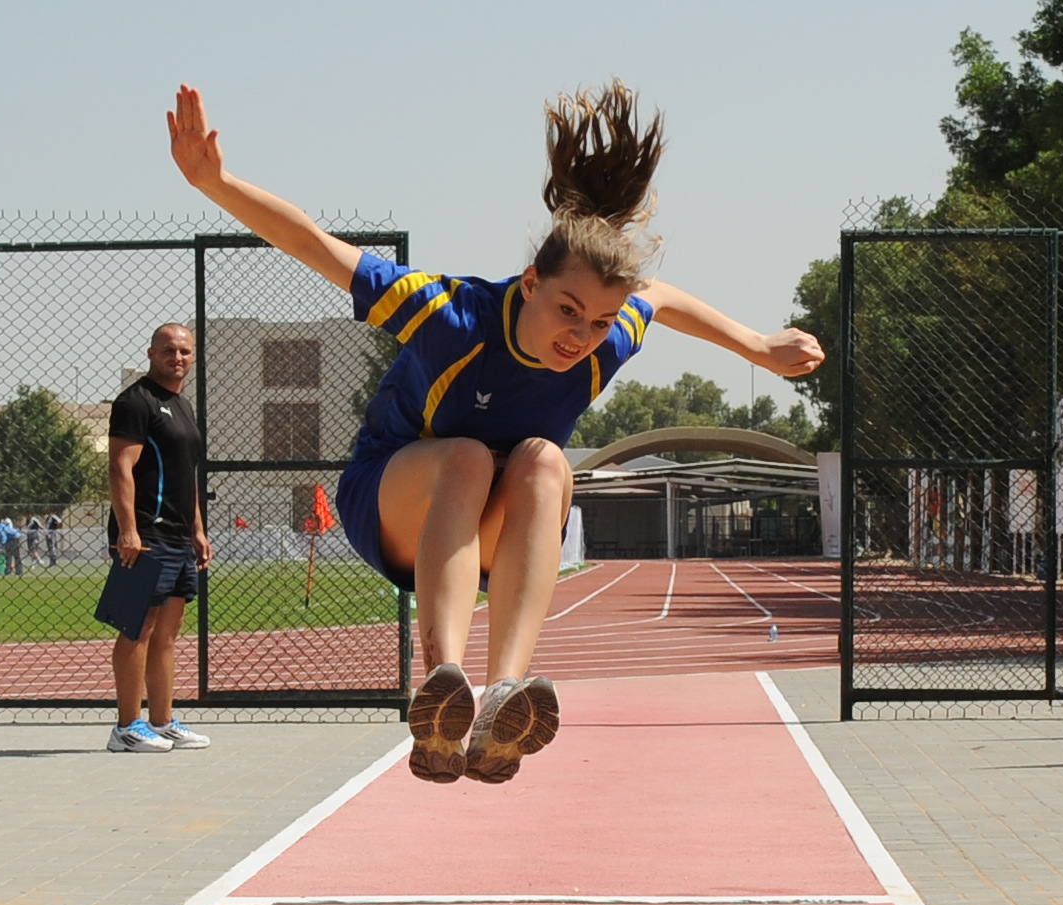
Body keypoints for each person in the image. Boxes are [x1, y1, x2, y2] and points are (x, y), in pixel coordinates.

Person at [166, 81, 822, 783]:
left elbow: (658, 298)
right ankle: (441, 686)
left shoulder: (608, 337)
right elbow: (313, 244)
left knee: (544, 461)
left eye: (599, 322)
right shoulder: (452, 316)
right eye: (567, 310)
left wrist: (758, 347)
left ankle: (502, 694)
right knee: (471, 457)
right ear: (531, 281)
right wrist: (215, 183)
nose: (580, 336)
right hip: (393, 502)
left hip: (487, 526)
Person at [97, 321, 212, 754]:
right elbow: (119, 468)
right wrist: (128, 529)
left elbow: (186, 475)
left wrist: (197, 529)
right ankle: (127, 727)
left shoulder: (182, 406)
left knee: (167, 633)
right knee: (137, 628)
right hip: (145, 536)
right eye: (168, 350)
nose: (176, 357)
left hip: (180, 539)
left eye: (184, 351)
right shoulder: (135, 402)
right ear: (151, 353)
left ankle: (162, 722)